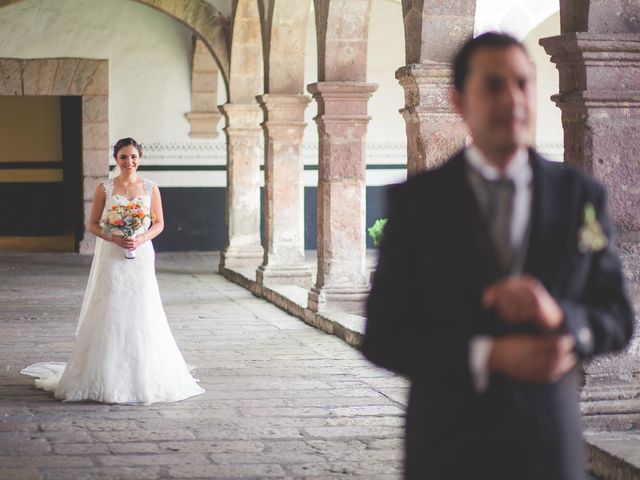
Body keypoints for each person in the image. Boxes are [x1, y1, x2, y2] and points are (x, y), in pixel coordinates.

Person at [363, 32, 633, 480]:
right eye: (493, 84)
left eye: (522, 83)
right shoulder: (419, 204)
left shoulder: (579, 196)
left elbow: (617, 318)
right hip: (448, 446)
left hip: (550, 445)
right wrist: (487, 355)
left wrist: (562, 320)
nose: (512, 98)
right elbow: (384, 337)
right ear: (458, 101)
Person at [21, 137, 204, 404]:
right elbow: (93, 224)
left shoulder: (151, 188)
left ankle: (143, 372)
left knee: (143, 306)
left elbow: (159, 223)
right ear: (115, 159)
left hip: (140, 254)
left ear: (139, 158)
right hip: (112, 252)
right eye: (123, 157)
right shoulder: (105, 188)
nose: (129, 162)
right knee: (110, 306)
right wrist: (115, 237)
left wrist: (140, 239)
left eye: (133, 157)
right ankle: (101, 373)